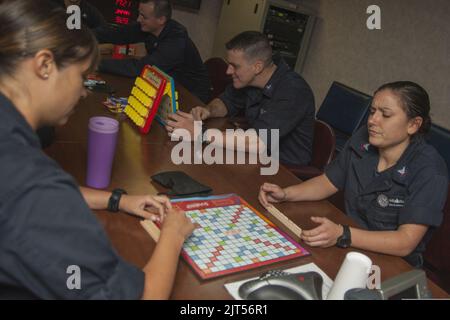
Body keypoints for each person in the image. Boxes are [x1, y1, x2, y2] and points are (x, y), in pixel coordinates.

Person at [0, 0, 195, 299]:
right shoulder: (33, 186)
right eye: (81, 77)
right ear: (44, 65)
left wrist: (118, 200)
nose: (83, 91)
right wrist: (173, 234)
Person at [259, 81, 449, 268]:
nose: (373, 120)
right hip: (346, 242)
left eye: (386, 114)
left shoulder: (430, 170)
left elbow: (405, 242)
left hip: (391, 263)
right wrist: (286, 194)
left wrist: (343, 234)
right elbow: (328, 182)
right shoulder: (364, 137)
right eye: (373, 111)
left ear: (413, 125)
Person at [166, 31, 315, 166]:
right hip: (253, 158)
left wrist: (200, 133)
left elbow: (259, 141)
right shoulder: (251, 79)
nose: (228, 70)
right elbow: (226, 102)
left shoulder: (293, 90)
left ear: (257, 67)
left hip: (283, 170)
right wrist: (207, 110)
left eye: (234, 66)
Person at [94, 0, 211, 103]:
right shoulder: (148, 26)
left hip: (191, 94)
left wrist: (95, 62)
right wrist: (83, 35)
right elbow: (118, 34)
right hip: (169, 87)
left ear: (161, 19)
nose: (139, 19)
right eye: (139, 14)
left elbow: (139, 68)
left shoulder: (176, 40)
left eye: (144, 16)